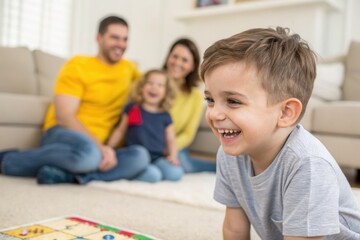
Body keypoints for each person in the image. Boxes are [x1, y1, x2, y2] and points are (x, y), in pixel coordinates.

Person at [201, 27, 360, 239]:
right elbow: (234, 228)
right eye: (210, 100)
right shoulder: (230, 155)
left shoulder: (307, 165)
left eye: (233, 101)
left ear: (285, 112)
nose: (214, 114)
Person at [0, 15, 149, 184]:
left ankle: (70, 175)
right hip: (63, 133)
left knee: (140, 157)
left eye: (125, 39)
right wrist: (100, 148)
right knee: (90, 155)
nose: (120, 44)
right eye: (114, 37)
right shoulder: (78, 65)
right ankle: (7, 160)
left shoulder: (129, 68)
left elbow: (156, 85)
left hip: (98, 146)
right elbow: (64, 116)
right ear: (99, 38)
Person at [57, 69, 183, 184]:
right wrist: (108, 149)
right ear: (142, 87)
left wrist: (173, 156)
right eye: (150, 83)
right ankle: (92, 177)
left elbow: (171, 139)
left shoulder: (165, 115)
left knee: (175, 173)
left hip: (157, 158)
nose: (154, 88)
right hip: (136, 156)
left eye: (160, 85)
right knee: (153, 174)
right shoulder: (133, 109)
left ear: (166, 92)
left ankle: (133, 172)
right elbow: (120, 131)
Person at [163, 38, 216, 173]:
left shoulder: (195, 96)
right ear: (168, 57)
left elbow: (188, 134)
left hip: (175, 145)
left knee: (184, 164)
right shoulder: (153, 85)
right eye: (175, 56)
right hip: (149, 143)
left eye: (184, 60)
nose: (177, 62)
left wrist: (169, 147)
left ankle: (217, 168)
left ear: (192, 66)